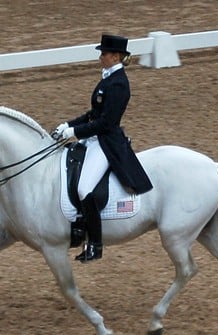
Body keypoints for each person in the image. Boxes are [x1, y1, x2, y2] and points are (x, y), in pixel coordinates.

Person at [54, 34, 153, 263]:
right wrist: (68, 125)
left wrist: (75, 133)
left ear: (115, 56)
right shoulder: (108, 78)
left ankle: (95, 245)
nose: (101, 57)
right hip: (95, 138)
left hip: (106, 143)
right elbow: (93, 114)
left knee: (84, 189)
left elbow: (106, 123)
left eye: (104, 53)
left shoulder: (119, 84)